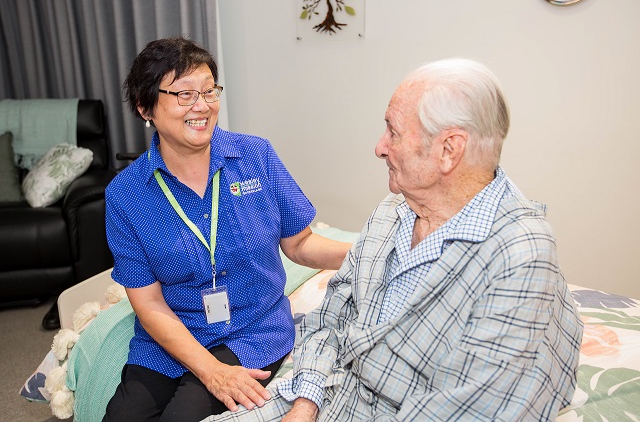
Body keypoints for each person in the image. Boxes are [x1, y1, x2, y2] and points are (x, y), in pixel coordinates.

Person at [207, 58, 584, 422]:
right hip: (325, 395)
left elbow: (474, 408)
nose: (380, 147)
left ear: (449, 150)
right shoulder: (393, 211)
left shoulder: (520, 253)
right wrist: (306, 403)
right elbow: (329, 318)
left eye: (394, 131)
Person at [102, 36, 352, 422]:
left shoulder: (255, 156)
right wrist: (210, 370)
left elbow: (300, 243)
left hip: (251, 331)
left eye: (209, 91)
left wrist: (365, 251)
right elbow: (148, 303)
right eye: (184, 95)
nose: (202, 106)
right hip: (169, 339)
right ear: (144, 106)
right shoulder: (126, 195)